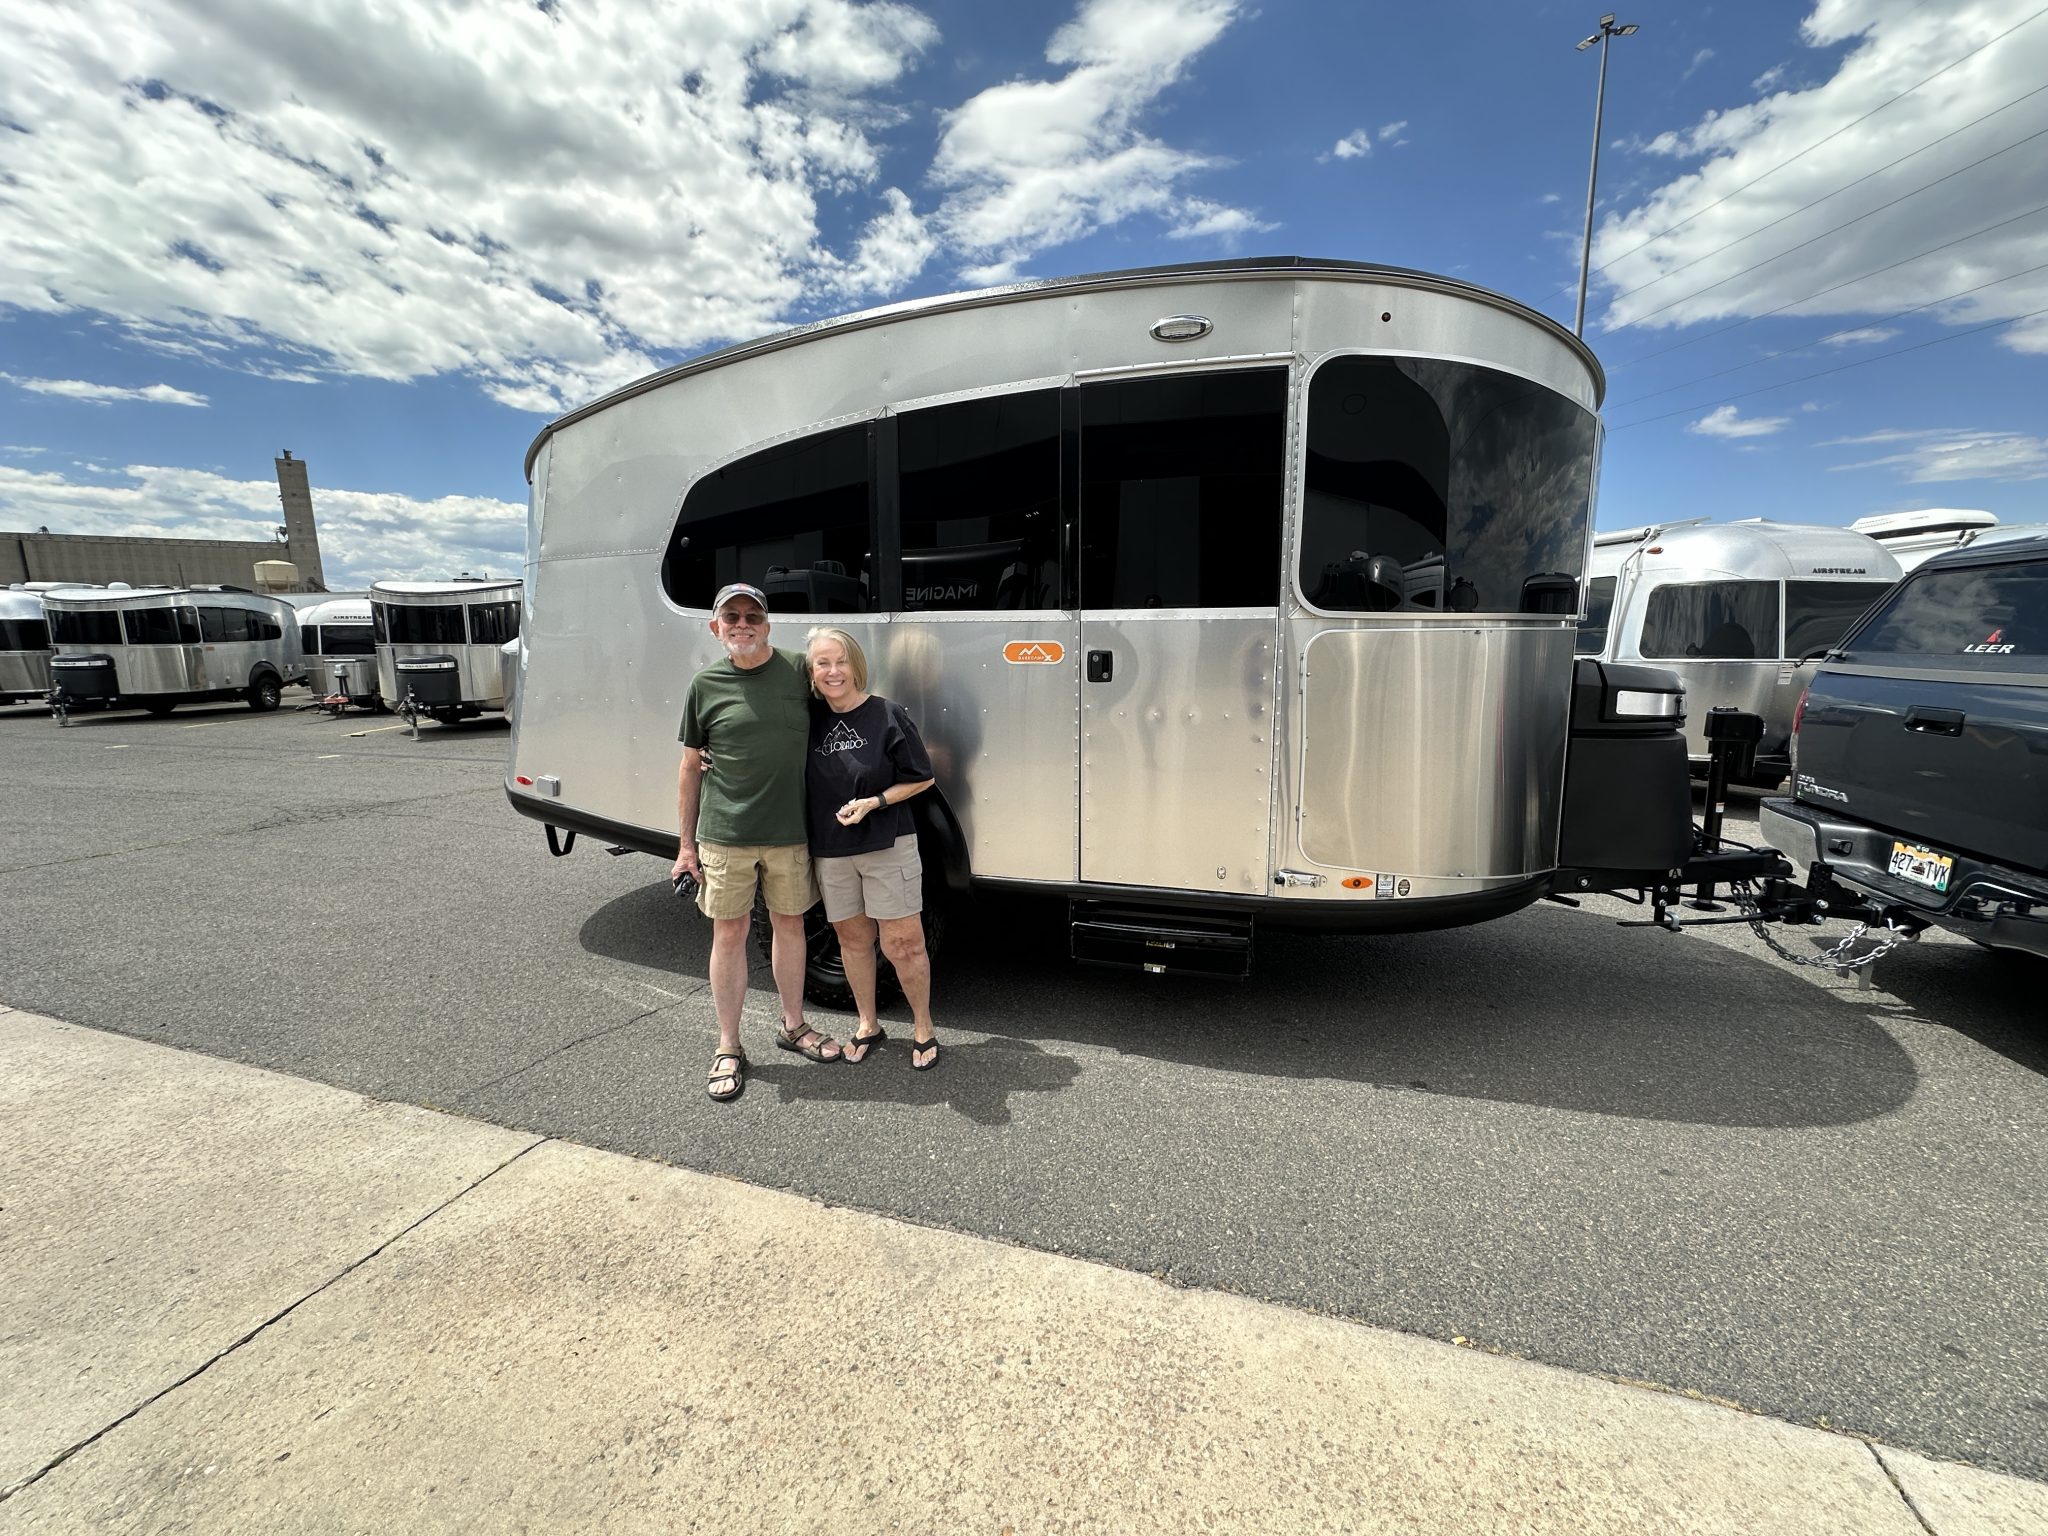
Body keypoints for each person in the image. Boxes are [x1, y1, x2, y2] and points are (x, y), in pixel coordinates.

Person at [673, 583, 841, 1103]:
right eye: (732, 617)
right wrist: (685, 847)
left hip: (790, 831)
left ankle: (793, 1026)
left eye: (752, 616)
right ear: (715, 627)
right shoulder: (704, 685)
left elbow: (842, 697)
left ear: (767, 625)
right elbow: (690, 766)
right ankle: (728, 1045)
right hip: (726, 835)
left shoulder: (798, 671)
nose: (742, 625)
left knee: (790, 927)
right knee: (730, 934)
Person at [802, 626, 940, 1070]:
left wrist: (874, 802)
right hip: (831, 849)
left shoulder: (886, 713)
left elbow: (922, 777)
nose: (833, 671)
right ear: (811, 672)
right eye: (822, 663)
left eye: (841, 661)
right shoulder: (807, 719)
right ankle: (868, 1024)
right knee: (852, 940)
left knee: (903, 943)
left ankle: (923, 1027)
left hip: (887, 843)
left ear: (856, 665)